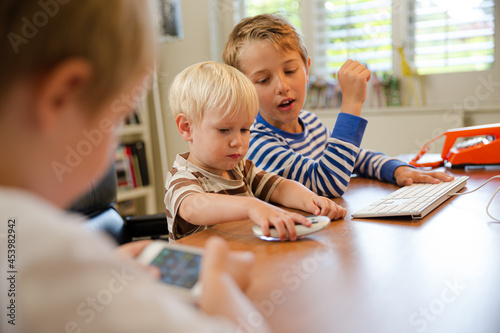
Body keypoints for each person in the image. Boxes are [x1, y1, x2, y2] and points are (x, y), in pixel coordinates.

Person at [0, 1, 271, 332]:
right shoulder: (51, 260)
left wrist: (106, 268)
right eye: (116, 119)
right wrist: (218, 286)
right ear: (61, 98)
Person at [222, 14, 453, 198]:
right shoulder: (254, 142)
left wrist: (396, 169)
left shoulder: (310, 122)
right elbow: (327, 182)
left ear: (307, 70)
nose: (281, 86)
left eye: (290, 71)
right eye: (263, 80)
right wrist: (352, 103)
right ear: (242, 88)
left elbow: (355, 158)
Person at [165, 61, 346, 241]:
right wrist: (251, 206)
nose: (238, 142)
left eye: (244, 130)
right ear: (187, 127)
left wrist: (310, 200)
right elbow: (192, 209)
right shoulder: (182, 177)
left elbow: (280, 187)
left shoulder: (241, 169)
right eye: (224, 130)